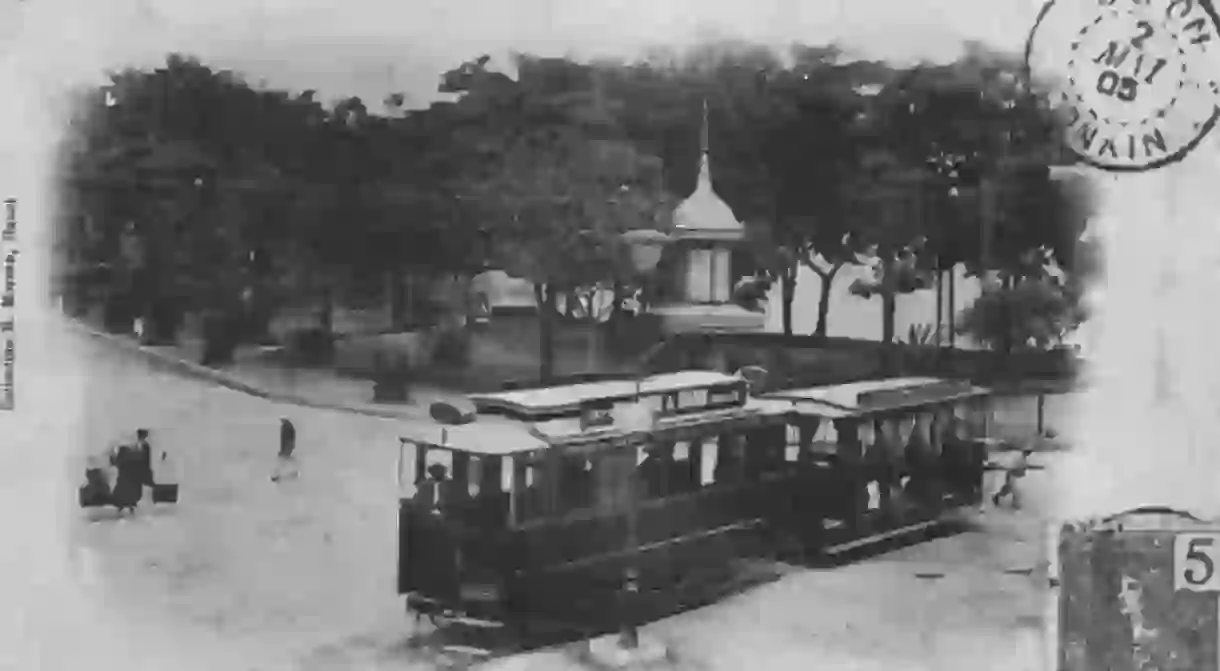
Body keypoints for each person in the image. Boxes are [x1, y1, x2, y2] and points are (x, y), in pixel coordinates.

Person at [109, 444, 145, 514]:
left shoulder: (122, 456)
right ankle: (129, 506)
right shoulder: (130, 456)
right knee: (127, 493)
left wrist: (112, 454)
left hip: (125, 480)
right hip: (130, 481)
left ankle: (123, 507)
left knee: (122, 493)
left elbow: (114, 463)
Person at [272, 419, 299, 483]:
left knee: (283, 461)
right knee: (285, 460)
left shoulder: (287, 429)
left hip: (286, 449)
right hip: (286, 449)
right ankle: (294, 472)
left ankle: (293, 472)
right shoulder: (288, 429)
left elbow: (287, 438)